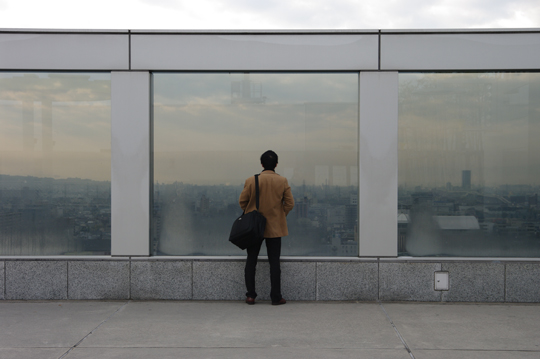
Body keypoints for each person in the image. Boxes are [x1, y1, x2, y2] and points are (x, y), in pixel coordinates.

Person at [239, 150, 294, 305]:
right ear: (276, 164)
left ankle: (250, 295)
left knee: (251, 261)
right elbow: (290, 203)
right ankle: (276, 297)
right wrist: (280, 215)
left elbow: (242, 201)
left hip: (254, 228)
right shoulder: (282, 181)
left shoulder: (251, 180)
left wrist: (250, 213)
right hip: (275, 227)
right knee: (274, 263)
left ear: (261, 164)